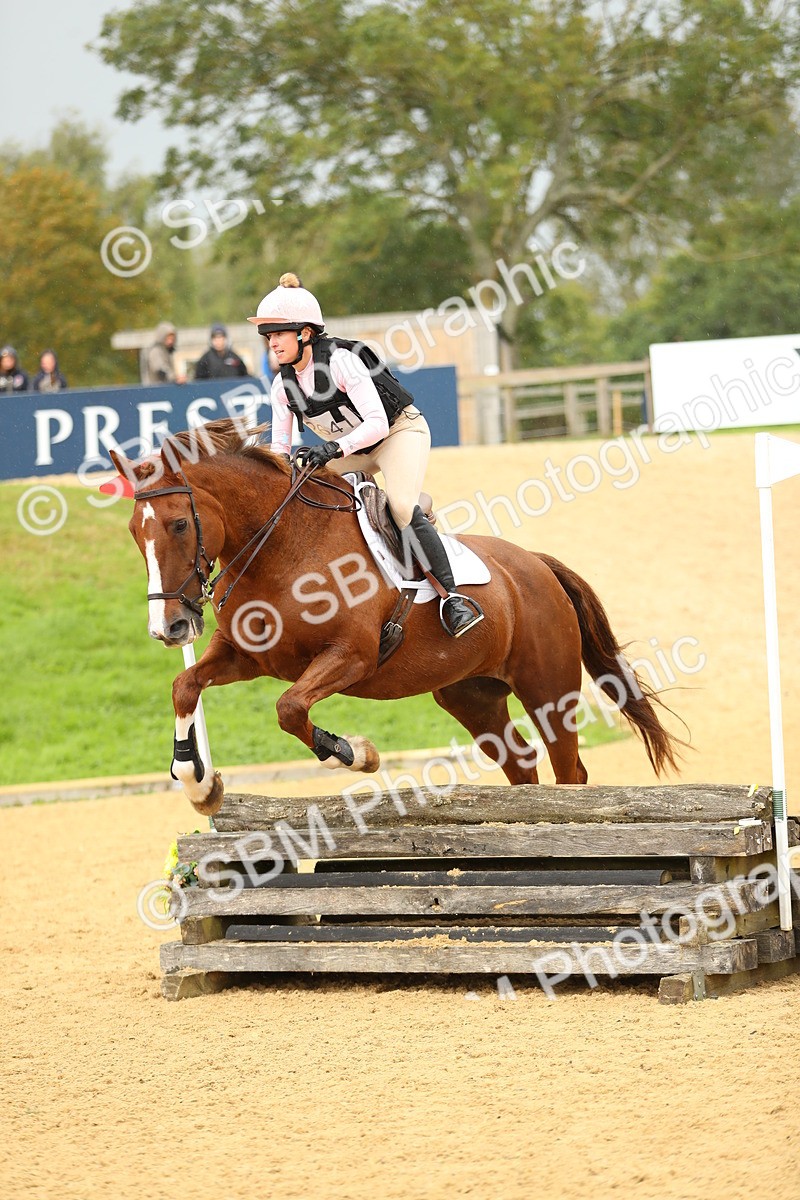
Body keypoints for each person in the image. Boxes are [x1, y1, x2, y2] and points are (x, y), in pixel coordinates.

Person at [247, 273, 484, 638]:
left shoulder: (341, 361)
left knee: (402, 508)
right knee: (307, 500)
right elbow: (280, 447)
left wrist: (330, 449)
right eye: (268, 337)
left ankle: (452, 599)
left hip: (396, 435)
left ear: (305, 333)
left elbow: (376, 423)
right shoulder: (283, 385)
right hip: (349, 453)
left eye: (279, 334)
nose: (272, 344)